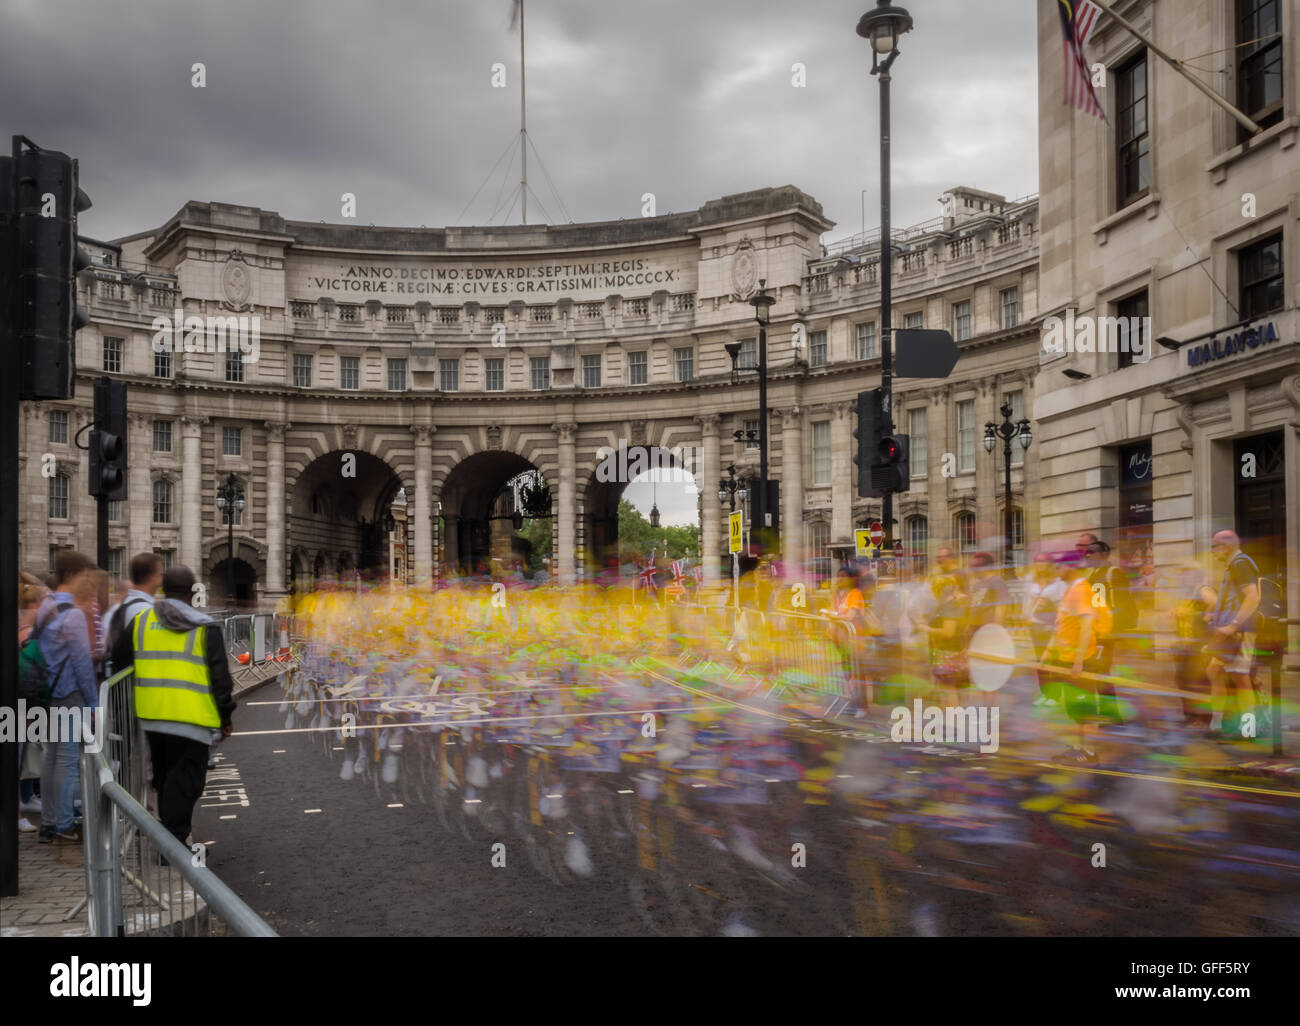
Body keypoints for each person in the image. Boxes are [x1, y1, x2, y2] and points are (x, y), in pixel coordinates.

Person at [111, 565, 236, 847]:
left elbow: (119, 661)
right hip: (192, 719)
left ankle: (169, 838)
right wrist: (226, 716)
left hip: (153, 717)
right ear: (193, 593)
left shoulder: (141, 621)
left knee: (166, 779)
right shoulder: (206, 627)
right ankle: (174, 844)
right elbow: (221, 682)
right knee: (187, 783)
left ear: (164, 591)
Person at [36, 552, 101, 843]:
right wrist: (93, 703)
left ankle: (50, 821)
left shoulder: (46, 606)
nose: (87, 582)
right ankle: (63, 824)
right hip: (68, 691)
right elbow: (82, 664)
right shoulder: (72, 614)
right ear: (73, 574)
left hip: (46, 692)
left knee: (50, 758)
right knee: (66, 760)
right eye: (85, 576)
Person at [1041, 550, 1101, 763]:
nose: (1057, 570)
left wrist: (1079, 662)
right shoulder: (1071, 590)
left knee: (1085, 707)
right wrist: (1049, 652)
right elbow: (1062, 625)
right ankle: (1077, 747)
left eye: (1059, 566)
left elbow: (1086, 628)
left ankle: (1090, 752)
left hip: (1081, 661)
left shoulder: (1081, 590)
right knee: (1074, 707)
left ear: (1070, 567)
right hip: (1067, 659)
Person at [1203, 530, 1261, 738]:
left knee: (1240, 678)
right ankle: (1217, 723)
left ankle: (1248, 729)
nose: (1212, 552)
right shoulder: (1234, 565)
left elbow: (1252, 597)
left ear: (1225, 547)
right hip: (1227, 631)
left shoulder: (1241, 563)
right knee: (1214, 671)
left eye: (1214, 546)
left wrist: (1233, 625)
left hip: (1239, 631)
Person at [103, 552, 164, 676]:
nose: (162, 578)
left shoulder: (123, 606)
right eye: (160, 574)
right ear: (153, 577)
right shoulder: (147, 611)